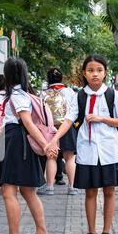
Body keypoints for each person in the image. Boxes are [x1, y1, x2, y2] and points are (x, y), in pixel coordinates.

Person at [46, 55, 118, 234]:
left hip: (109, 151)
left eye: (99, 70)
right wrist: (54, 139)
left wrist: (101, 118)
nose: (95, 74)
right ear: (84, 73)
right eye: (91, 70)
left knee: (109, 191)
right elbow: (68, 120)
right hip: (88, 150)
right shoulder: (79, 96)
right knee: (90, 192)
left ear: (105, 72)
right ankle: (91, 232)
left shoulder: (112, 94)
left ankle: (106, 232)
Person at [0, 58, 50, 234]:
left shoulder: (16, 95)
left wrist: (46, 145)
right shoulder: (25, 93)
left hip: (16, 143)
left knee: (9, 191)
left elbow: (27, 122)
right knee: (27, 190)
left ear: (7, 75)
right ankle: (41, 232)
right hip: (17, 140)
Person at [42, 67, 78, 195]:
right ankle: (72, 187)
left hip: (50, 129)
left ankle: (50, 187)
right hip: (67, 128)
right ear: (61, 78)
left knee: (51, 157)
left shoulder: (43, 94)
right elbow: (75, 111)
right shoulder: (70, 92)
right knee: (70, 158)